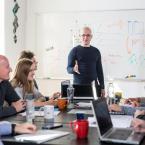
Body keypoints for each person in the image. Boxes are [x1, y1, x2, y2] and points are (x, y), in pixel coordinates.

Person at [67, 26, 105, 97]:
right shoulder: (74, 51)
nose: (85, 37)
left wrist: (102, 87)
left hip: (94, 88)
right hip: (78, 87)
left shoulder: (96, 51)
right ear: (80, 36)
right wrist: (73, 69)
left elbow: (100, 71)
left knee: (95, 107)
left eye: (88, 35)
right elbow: (68, 69)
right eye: (83, 35)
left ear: (91, 37)